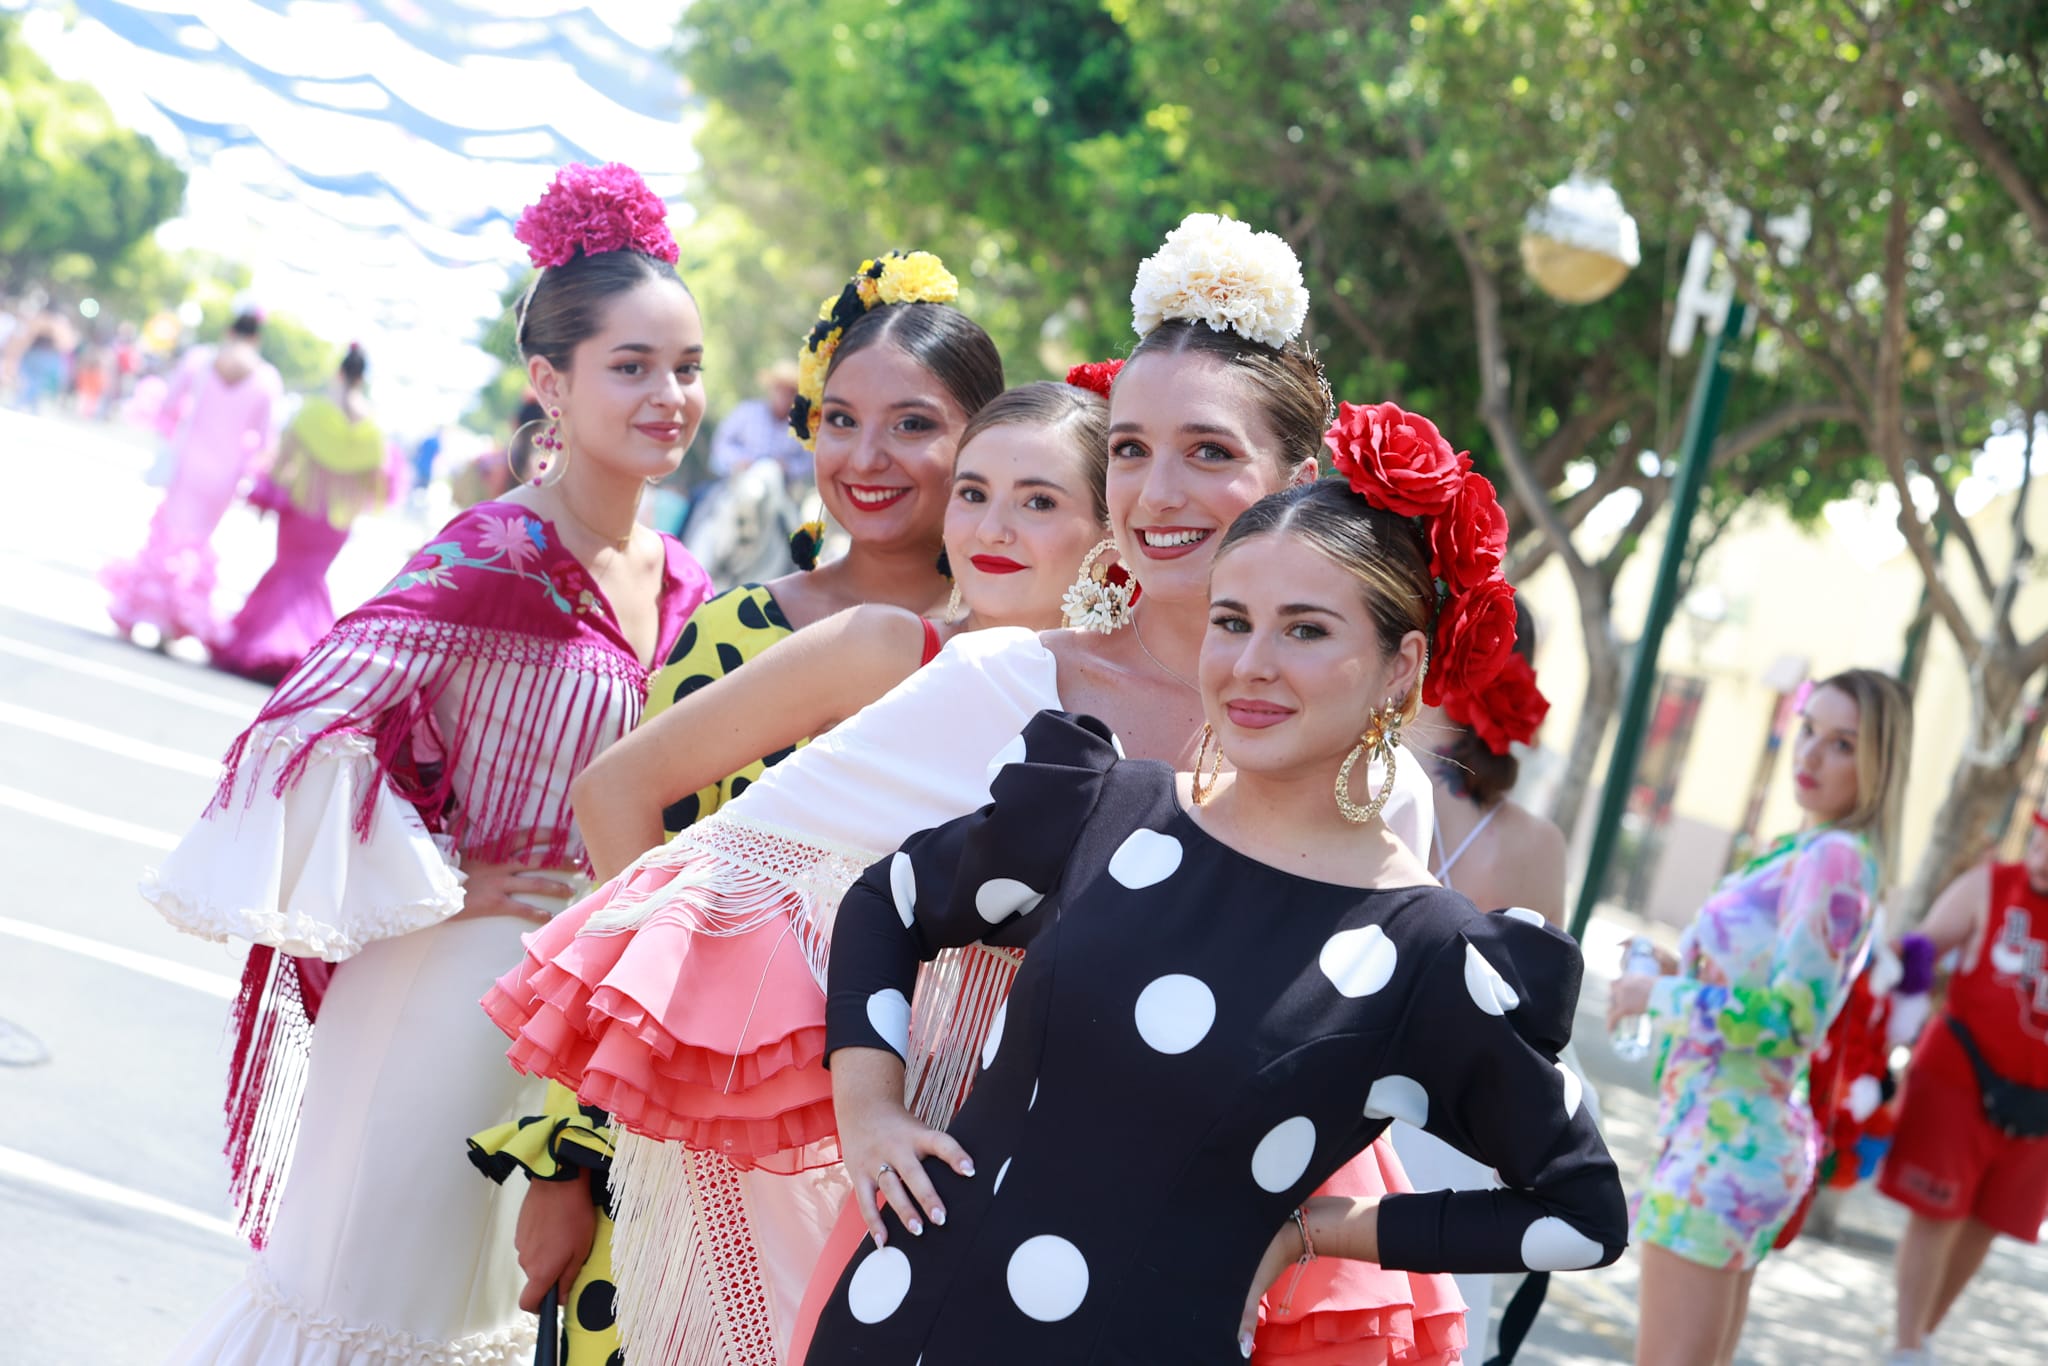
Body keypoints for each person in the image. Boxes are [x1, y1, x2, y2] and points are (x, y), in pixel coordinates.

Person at [807, 471, 1628, 1364]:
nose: (1251, 664)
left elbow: (1580, 1212)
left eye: (1306, 630)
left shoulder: (1428, 952)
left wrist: (1313, 1232)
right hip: (903, 1322)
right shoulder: (1103, 809)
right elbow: (887, 901)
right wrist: (870, 1111)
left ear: (1402, 668)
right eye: (1232, 621)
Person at [143, 162, 716, 1366]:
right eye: (632, 366)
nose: (670, 395)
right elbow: (298, 726)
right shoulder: (496, 551)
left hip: (580, 1013)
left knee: (485, 1332)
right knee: (368, 1307)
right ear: (548, 385)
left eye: (687, 366)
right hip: (444, 983)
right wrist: (442, 873)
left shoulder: (686, 582)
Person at [476, 250, 1007, 1366]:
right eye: (838, 420)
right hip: (694, 1145)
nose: (865, 459)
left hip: (903, 1170)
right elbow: (628, 905)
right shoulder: (739, 638)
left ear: (982, 441)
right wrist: (576, 1155)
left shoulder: (1026, 667)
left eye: (913, 425)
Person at [1607, 668, 1914, 1366]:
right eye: (1808, 729)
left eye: (1842, 744)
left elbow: (1790, 1020)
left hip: (1729, 1148)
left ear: (1878, 763)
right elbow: (1761, 986)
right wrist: (1678, 968)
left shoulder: (1836, 857)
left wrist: (1659, 997)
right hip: (1726, 1138)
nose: (1809, 756)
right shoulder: (1809, 850)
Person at [1395, 593, 1570, 1354]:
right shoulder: (1536, 844)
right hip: (1461, 1136)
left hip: (1337, 1101)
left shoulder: (1359, 774)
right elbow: (1541, 1026)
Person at [1878, 809, 2048, 1365]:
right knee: (1938, 1214)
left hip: (2038, 1109)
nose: (2044, 854)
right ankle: (1907, 1348)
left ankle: (1921, 1338)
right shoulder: (1990, 885)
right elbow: (1920, 952)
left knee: (1988, 1223)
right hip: (1960, 1081)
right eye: (2043, 835)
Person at [103, 310, 282, 646]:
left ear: (230, 330)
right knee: (195, 542)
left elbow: (170, 404)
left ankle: (140, 611)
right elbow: (264, 439)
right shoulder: (267, 380)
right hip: (224, 475)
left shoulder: (200, 359)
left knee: (167, 536)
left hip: (188, 461)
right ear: (257, 337)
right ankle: (173, 624)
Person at [210, 343, 387, 683]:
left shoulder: (313, 413)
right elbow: (376, 484)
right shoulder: (372, 429)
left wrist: (270, 492)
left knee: (287, 572)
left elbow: (282, 460)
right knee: (310, 580)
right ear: (363, 378)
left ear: (339, 372)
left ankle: (268, 646)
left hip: (303, 507)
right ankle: (307, 655)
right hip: (338, 519)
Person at [712, 359, 810, 486]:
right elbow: (721, 444)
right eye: (779, 389)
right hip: (737, 480)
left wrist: (788, 467)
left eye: (790, 392)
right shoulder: (746, 412)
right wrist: (739, 460)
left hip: (782, 487)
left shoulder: (803, 426)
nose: (783, 396)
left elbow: (808, 462)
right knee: (702, 498)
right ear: (770, 389)